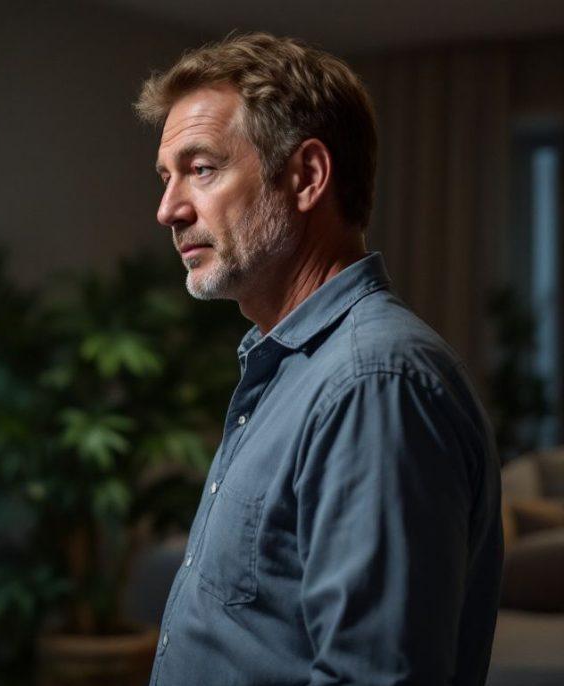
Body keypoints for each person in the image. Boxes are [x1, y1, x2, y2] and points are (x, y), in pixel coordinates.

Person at [135, 32, 502, 685]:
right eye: (167, 178)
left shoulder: (373, 384)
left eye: (202, 169)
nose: (169, 209)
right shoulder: (289, 368)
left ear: (306, 177)